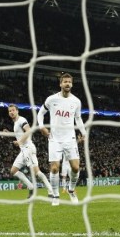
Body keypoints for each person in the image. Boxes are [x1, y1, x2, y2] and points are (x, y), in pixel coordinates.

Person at [36, 73, 86, 206]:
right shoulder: (51, 99)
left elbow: (78, 118)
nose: (67, 84)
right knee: (54, 168)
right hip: (54, 139)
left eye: (69, 82)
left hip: (70, 138)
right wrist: (41, 127)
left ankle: (71, 190)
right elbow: (41, 113)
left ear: (72, 84)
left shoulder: (76, 101)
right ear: (60, 84)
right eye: (65, 82)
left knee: (75, 168)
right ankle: (56, 196)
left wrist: (83, 132)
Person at [3, 104, 54, 199]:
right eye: (10, 111)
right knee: (13, 171)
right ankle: (31, 187)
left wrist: (20, 141)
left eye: (13, 110)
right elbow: (19, 134)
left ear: (17, 111)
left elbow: (28, 131)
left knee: (37, 173)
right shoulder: (16, 123)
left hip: (28, 148)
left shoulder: (21, 120)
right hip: (23, 150)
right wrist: (9, 133)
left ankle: (51, 191)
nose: (11, 112)